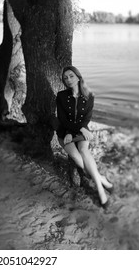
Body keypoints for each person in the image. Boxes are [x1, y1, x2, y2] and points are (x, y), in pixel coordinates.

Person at [56, 66, 113, 207]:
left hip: (81, 132)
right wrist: (71, 131)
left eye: (71, 76)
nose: (68, 80)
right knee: (76, 157)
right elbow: (62, 119)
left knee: (84, 151)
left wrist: (82, 128)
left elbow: (87, 118)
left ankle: (100, 190)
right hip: (65, 132)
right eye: (65, 78)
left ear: (78, 77)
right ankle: (102, 179)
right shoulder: (61, 96)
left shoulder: (89, 95)